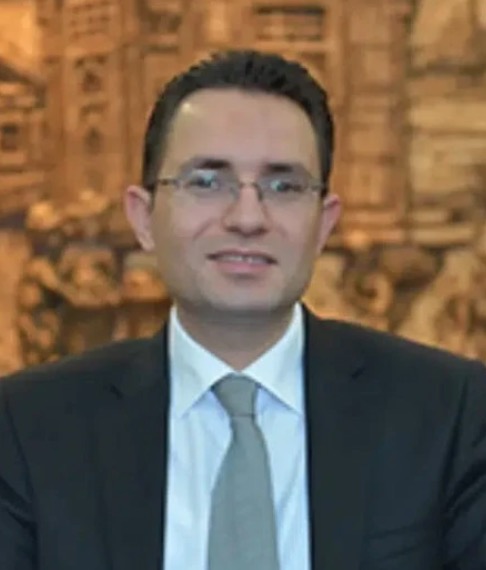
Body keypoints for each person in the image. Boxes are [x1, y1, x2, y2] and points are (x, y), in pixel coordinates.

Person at [1, 50, 485, 570]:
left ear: (324, 223)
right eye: (207, 183)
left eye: (284, 186)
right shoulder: (28, 428)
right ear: (143, 218)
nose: (248, 218)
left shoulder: (450, 413)